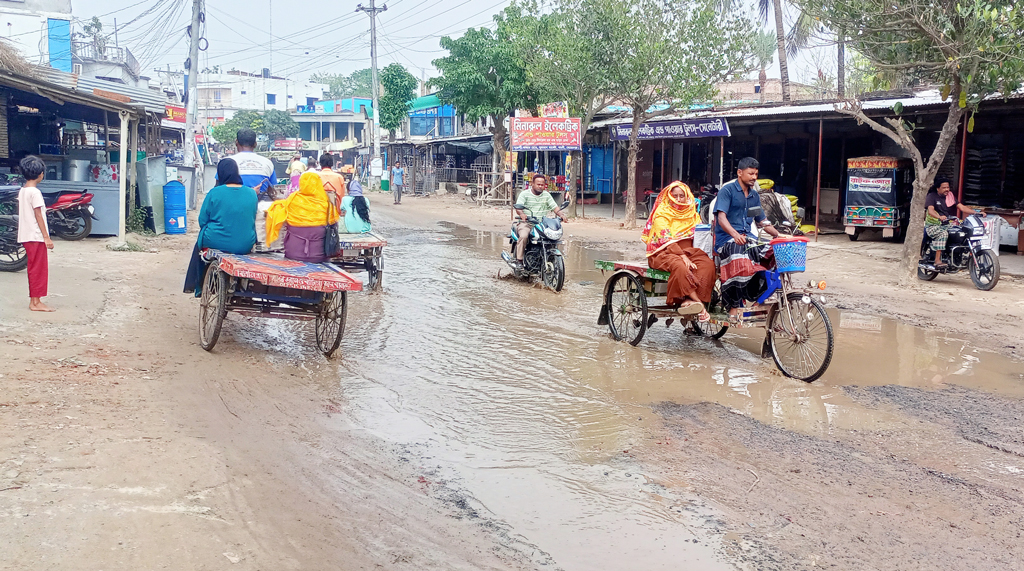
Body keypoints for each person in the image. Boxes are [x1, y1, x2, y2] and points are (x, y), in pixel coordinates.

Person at [714, 157, 780, 317]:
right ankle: (733, 306)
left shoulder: (754, 197)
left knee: (776, 252)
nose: (754, 177)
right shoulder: (727, 191)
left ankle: (760, 299)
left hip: (748, 240)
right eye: (751, 173)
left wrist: (780, 235)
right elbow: (721, 218)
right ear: (740, 172)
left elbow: (762, 221)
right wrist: (735, 235)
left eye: (756, 174)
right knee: (740, 257)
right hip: (727, 241)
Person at [183, 159, 259, 294]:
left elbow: (202, 220)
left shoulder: (214, 192)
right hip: (245, 244)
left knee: (199, 245)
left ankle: (197, 286)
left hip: (215, 241)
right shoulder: (252, 193)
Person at [643, 181, 715, 321]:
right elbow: (665, 239)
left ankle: (689, 301)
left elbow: (699, 234)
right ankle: (699, 304)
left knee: (708, 264)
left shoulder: (692, 213)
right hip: (662, 252)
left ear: (687, 196)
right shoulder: (662, 213)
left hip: (688, 251)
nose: (678, 199)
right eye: (674, 195)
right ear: (669, 196)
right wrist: (682, 256)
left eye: (682, 196)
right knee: (680, 266)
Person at [265, 171, 340, 263]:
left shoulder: (292, 200)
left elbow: (278, 213)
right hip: (320, 257)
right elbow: (335, 224)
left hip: (293, 254)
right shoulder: (327, 205)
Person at [16, 155, 54, 312]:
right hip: (35, 236)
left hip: (26, 235)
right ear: (40, 174)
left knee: (33, 267)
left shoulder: (23, 190)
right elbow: (39, 215)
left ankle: (35, 299)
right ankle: (36, 302)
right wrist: (46, 237)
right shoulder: (35, 193)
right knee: (38, 269)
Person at [924, 177, 984, 269]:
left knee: (962, 232)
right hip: (933, 225)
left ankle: (958, 255)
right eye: (944, 188)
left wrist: (977, 213)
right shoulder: (931, 196)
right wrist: (939, 217)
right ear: (938, 188)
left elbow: (962, 208)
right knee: (943, 234)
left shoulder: (950, 196)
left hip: (947, 224)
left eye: (948, 187)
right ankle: (937, 260)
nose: (947, 189)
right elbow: (931, 211)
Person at [513, 173, 567, 269]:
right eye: (538, 184)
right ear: (532, 184)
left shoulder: (546, 195)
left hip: (541, 224)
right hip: (527, 223)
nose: (540, 186)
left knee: (551, 238)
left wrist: (561, 215)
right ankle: (519, 261)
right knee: (524, 236)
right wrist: (522, 214)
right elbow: (518, 207)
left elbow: (555, 207)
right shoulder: (524, 194)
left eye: (542, 184)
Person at [224, 128, 276, 201]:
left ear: (236, 142)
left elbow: (218, 187)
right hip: (259, 206)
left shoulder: (226, 162)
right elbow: (272, 189)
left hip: (233, 204)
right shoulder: (267, 162)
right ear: (255, 144)